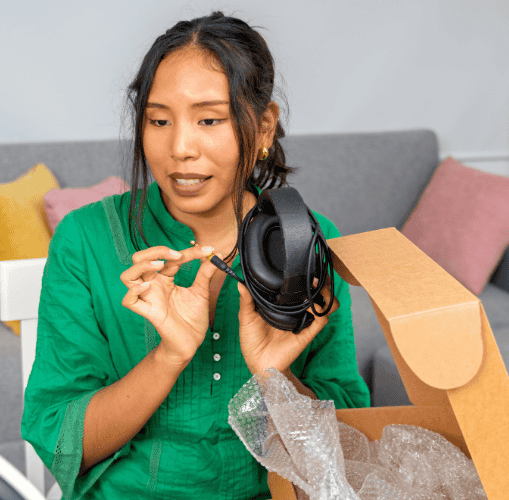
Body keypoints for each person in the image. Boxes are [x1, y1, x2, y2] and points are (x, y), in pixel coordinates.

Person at [21, 12, 370, 499]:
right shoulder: (84, 239)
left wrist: (277, 377)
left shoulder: (310, 242)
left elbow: (345, 449)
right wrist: (169, 356)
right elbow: (60, 440)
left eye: (209, 120)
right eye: (158, 120)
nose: (179, 148)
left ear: (264, 127)